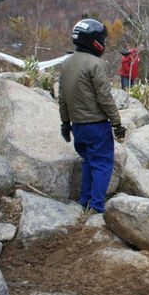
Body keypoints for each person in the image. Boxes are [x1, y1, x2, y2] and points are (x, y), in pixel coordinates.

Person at [58, 19, 127, 213]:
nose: (103, 44)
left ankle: (83, 201)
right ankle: (96, 207)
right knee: (103, 165)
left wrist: (65, 123)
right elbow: (104, 98)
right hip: (96, 125)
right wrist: (117, 122)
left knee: (88, 162)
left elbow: (63, 98)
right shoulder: (96, 64)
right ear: (94, 41)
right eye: (102, 39)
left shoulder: (67, 63)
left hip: (77, 126)